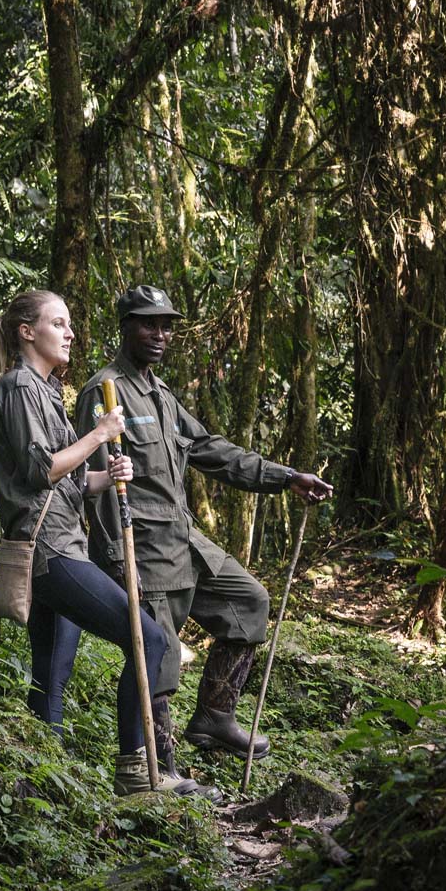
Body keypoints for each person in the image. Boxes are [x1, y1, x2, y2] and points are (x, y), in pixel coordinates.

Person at [76, 284, 333, 779]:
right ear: (125, 326)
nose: (160, 334)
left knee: (249, 602)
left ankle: (215, 716)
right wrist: (113, 556)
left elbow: (213, 451)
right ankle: (160, 771)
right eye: (149, 323)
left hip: (184, 539)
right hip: (143, 547)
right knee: (160, 657)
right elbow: (95, 478)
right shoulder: (105, 390)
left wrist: (287, 477)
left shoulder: (161, 393)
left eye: (167, 325)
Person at [0, 288, 214, 799]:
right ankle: (135, 768)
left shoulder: (45, 390)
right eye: (59, 324)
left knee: (52, 671)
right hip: (49, 550)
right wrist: (100, 434)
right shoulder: (20, 387)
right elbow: (40, 468)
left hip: (61, 540)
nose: (70, 333)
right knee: (150, 639)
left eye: (69, 324)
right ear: (28, 332)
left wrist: (106, 476)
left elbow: (65, 480)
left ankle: (40, 785)